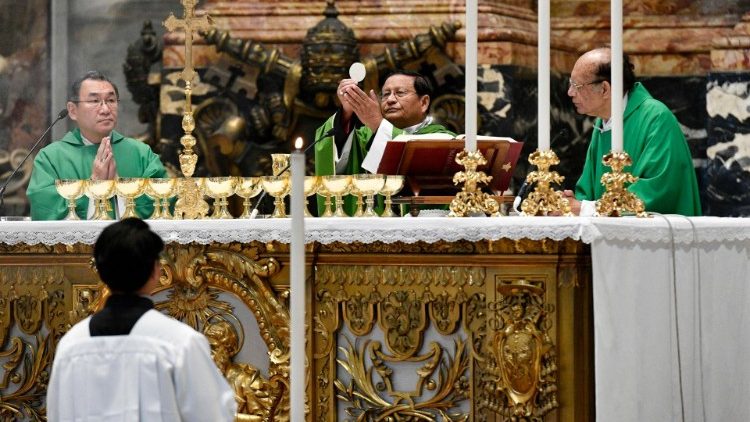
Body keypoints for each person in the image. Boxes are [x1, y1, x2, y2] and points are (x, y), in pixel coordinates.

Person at [46, 218, 237, 421]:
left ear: (101, 273)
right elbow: (213, 414)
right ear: (155, 271)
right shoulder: (179, 342)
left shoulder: (71, 345)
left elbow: (57, 414)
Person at [563, 47, 702, 216]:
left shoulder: (656, 118)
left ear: (605, 89)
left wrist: (584, 208)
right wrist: (571, 203)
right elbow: (588, 190)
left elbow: (658, 191)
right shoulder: (603, 123)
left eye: (577, 86)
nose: (570, 93)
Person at [27, 71, 167, 220]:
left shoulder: (141, 154)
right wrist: (94, 186)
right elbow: (43, 208)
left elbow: (165, 203)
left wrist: (119, 190)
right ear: (73, 111)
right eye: (94, 101)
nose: (106, 109)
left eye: (111, 100)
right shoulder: (51, 158)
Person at [314, 69, 455, 215]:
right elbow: (328, 148)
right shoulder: (365, 136)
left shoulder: (443, 139)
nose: (391, 99)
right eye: (386, 94)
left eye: (400, 93)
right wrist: (346, 113)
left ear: (424, 102)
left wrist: (378, 124)